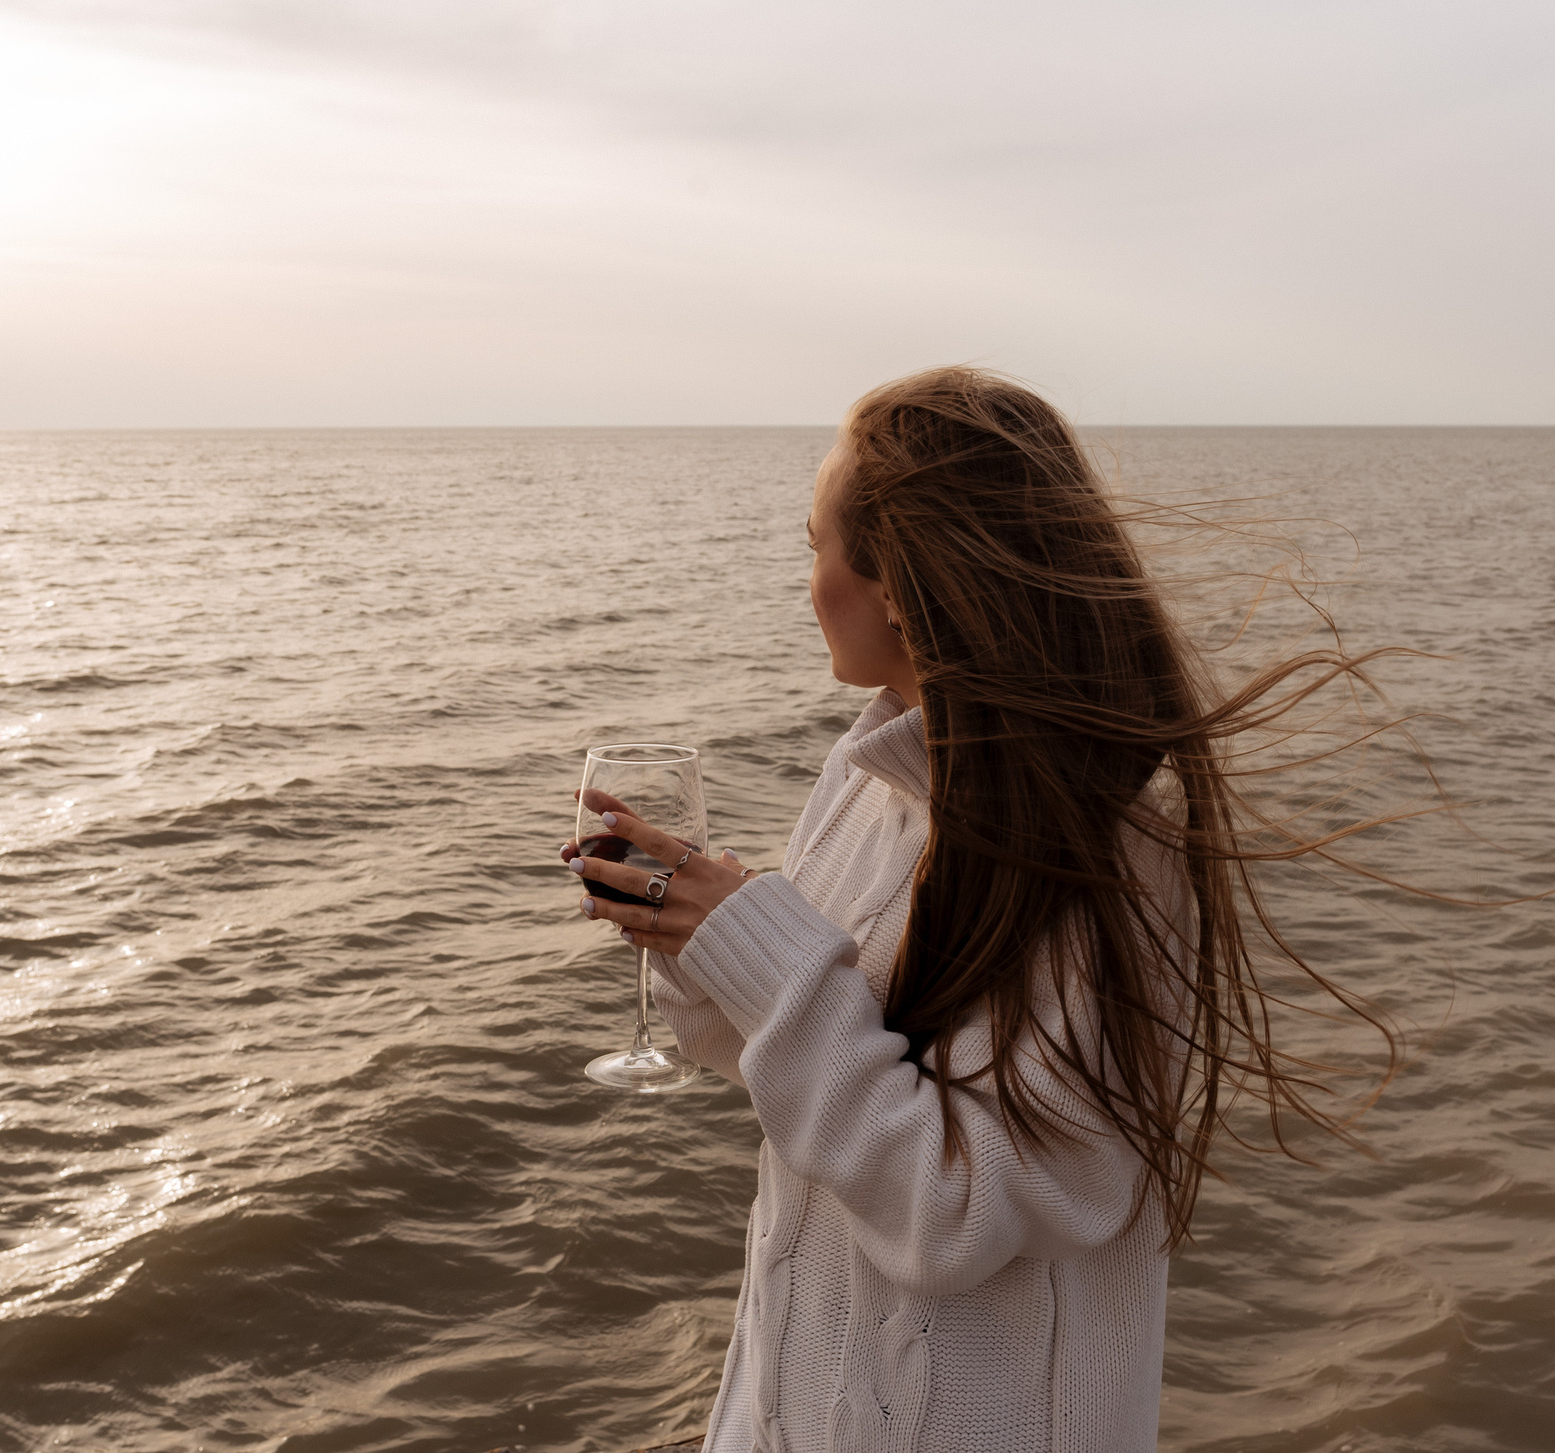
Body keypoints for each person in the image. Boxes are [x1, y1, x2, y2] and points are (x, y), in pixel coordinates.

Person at [563, 366, 1395, 1453]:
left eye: (815, 543)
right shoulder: (866, 772)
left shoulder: (1112, 851)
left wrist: (763, 947)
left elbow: (958, 1210)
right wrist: (692, 934)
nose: (805, 578)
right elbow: (780, 1062)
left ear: (898, 581)